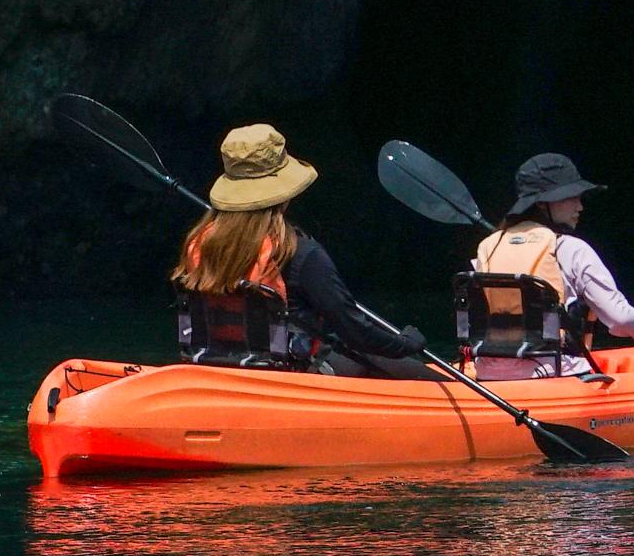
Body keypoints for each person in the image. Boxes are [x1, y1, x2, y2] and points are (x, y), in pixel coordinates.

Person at [171, 123, 438, 379]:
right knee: (365, 352)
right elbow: (353, 329)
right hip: (291, 374)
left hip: (215, 367)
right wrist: (404, 344)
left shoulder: (200, 244)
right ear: (284, 194)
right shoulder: (300, 253)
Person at [466, 151, 634, 376]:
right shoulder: (572, 249)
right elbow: (620, 319)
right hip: (556, 373)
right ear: (544, 204)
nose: (580, 206)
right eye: (572, 197)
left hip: (488, 374)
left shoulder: (488, 247)